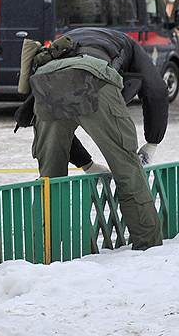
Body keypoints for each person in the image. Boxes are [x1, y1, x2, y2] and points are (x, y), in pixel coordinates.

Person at [15, 27, 166, 250]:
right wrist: (152, 141)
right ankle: (148, 246)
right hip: (94, 76)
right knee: (128, 170)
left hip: (46, 80)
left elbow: (57, 124)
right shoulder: (129, 44)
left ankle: (45, 251)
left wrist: (87, 164)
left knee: (50, 179)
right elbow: (157, 91)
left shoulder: (65, 41)